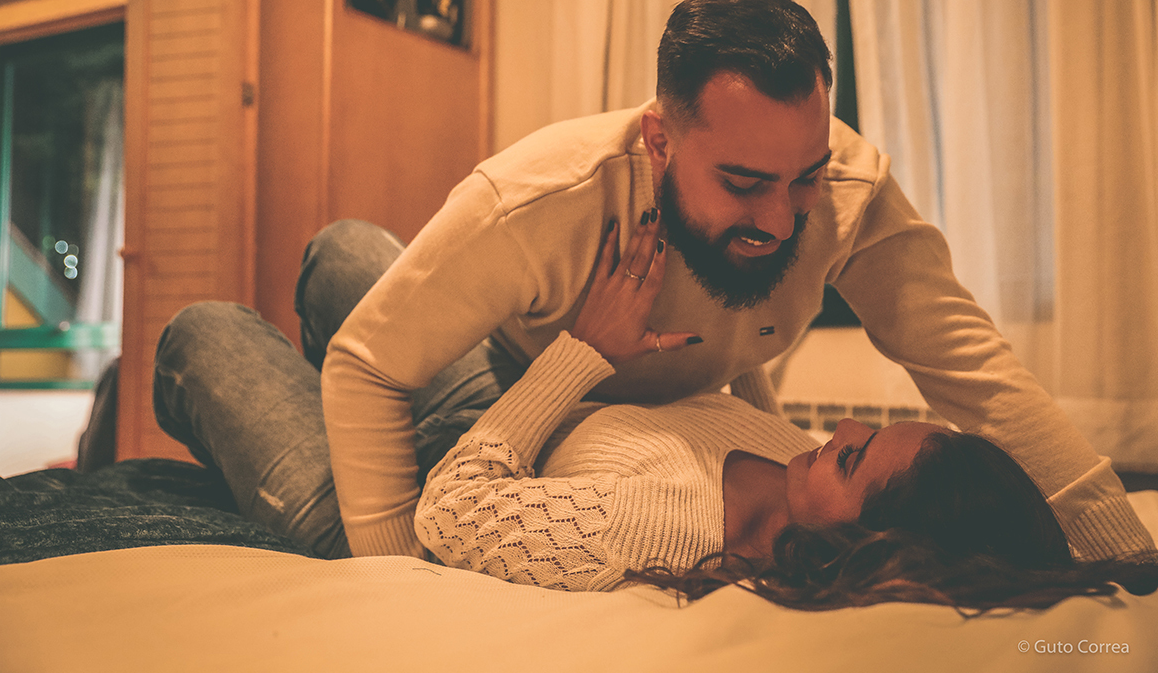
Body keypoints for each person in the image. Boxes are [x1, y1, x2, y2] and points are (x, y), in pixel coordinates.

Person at [309, 0, 1152, 562]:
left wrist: (1127, 558)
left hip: (597, 439)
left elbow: (979, 375)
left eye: (805, 178)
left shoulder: (850, 198)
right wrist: (395, 583)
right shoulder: (537, 200)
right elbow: (367, 365)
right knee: (348, 253)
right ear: (660, 142)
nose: (781, 221)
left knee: (343, 259)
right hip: (517, 379)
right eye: (743, 184)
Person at [415, 223, 1157, 608]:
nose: (842, 432)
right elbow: (738, 413)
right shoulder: (799, 486)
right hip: (550, 395)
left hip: (477, 432)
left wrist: (585, 349)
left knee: (362, 253)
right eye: (868, 432)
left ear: (866, 548)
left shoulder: (640, 527)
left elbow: (447, 509)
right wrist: (737, 316)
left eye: (852, 459)